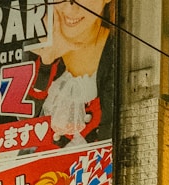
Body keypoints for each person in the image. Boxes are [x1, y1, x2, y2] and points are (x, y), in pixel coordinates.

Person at [30, 0, 115, 147]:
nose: (70, 7)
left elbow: (111, 138)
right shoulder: (36, 44)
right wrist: (46, 63)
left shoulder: (120, 50)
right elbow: (22, 119)